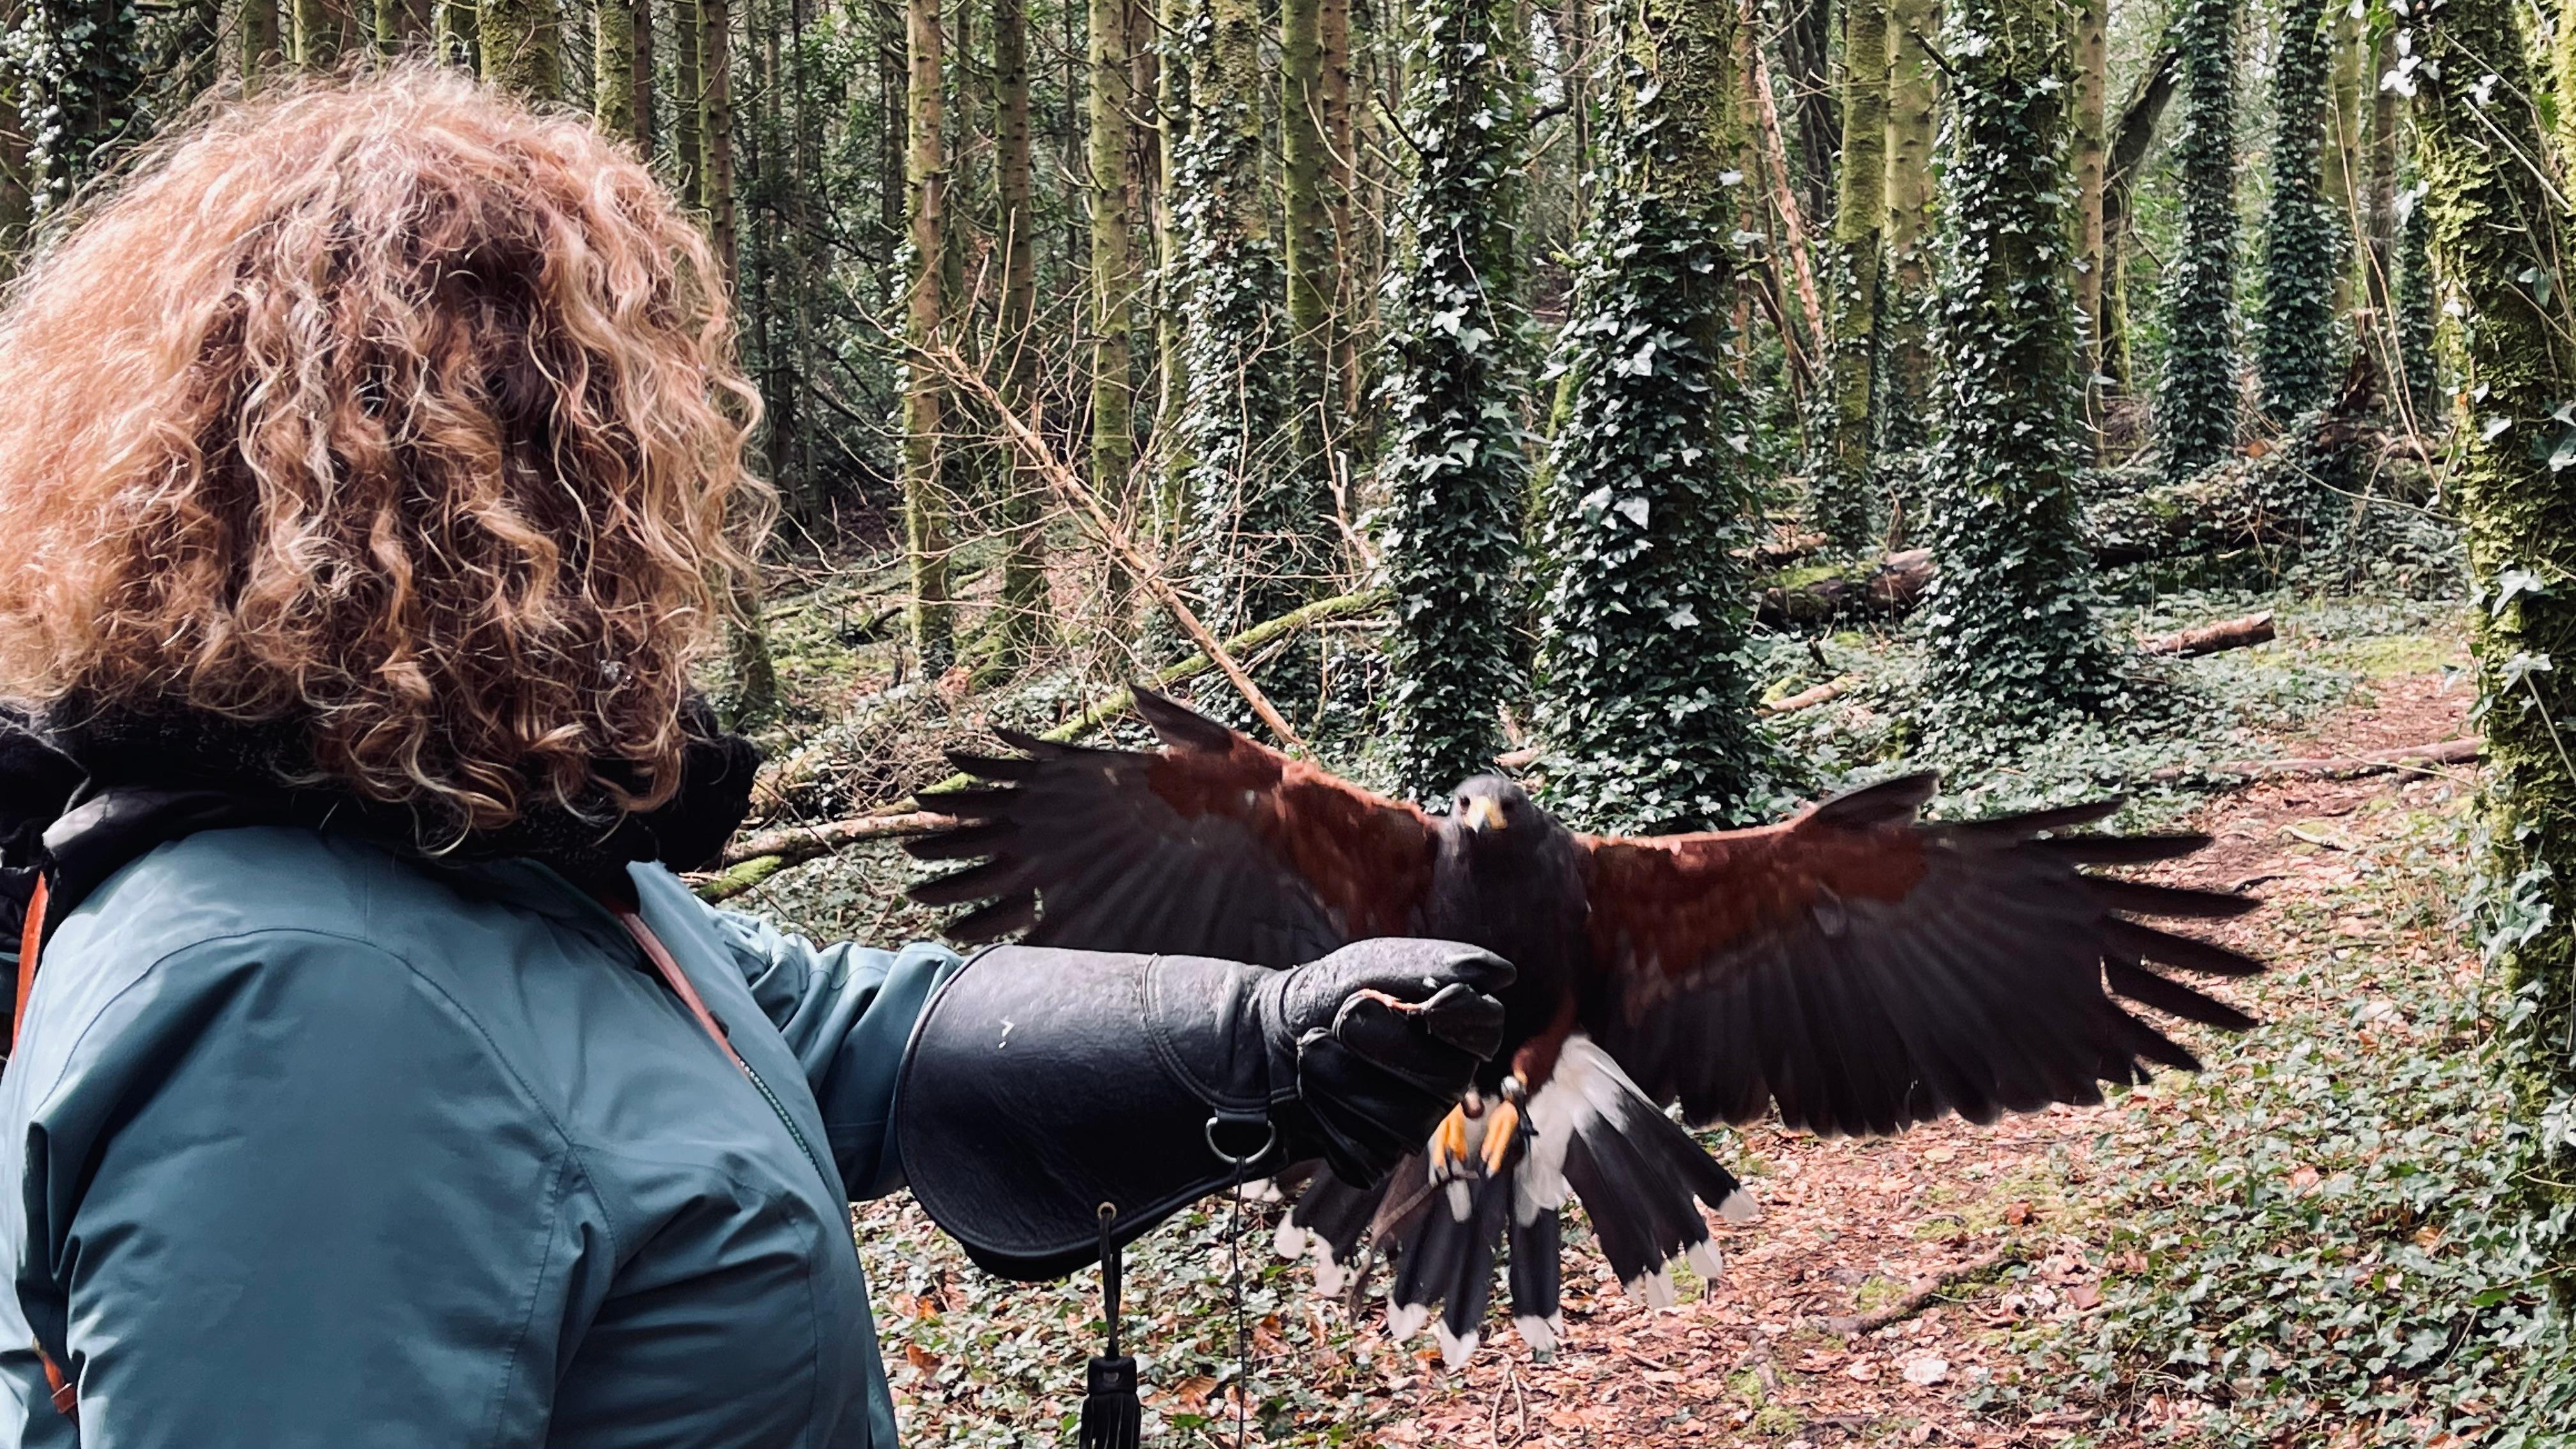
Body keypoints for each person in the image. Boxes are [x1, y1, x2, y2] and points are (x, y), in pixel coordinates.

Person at [0, 71, 1510, 1448]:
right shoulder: (303, 1008)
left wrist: (1262, 1039)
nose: (670, 529)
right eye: (621, 447)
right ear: (506, 513)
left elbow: (811, 1027)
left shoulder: (468, 859)